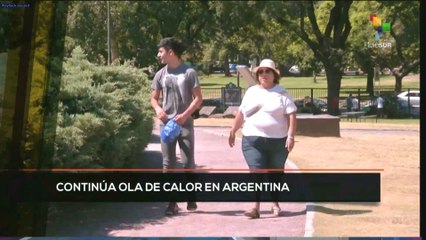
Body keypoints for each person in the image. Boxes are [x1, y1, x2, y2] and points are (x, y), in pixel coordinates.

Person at [228, 59, 297, 219]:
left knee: (275, 174)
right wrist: (233, 129)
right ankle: (255, 207)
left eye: (267, 71)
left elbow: (292, 115)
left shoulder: (282, 93)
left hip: (277, 141)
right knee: (256, 171)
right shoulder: (251, 92)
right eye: (261, 72)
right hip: (252, 140)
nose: (264, 74)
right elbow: (241, 113)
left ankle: (275, 203)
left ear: (274, 75)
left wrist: (291, 135)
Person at [150, 37, 203, 216]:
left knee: (188, 163)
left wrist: (185, 115)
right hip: (167, 125)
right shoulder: (160, 74)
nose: (158, 55)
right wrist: (158, 109)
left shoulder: (189, 72)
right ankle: (172, 202)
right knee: (168, 164)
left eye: (161, 51)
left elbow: (198, 98)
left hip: (185, 124)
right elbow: (153, 98)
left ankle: (191, 196)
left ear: (171, 52)